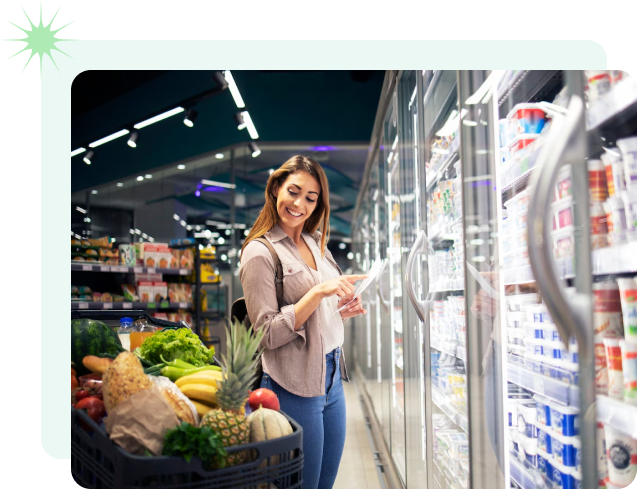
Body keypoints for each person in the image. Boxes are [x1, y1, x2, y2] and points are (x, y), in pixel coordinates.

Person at [239, 155, 368, 489]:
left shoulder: (316, 243)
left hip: (332, 379)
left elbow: (314, 319)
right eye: (293, 191)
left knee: (324, 484)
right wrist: (317, 294)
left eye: (311, 198)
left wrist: (340, 310)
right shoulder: (260, 252)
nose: (300, 204)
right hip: (291, 384)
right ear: (276, 188)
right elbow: (266, 333)